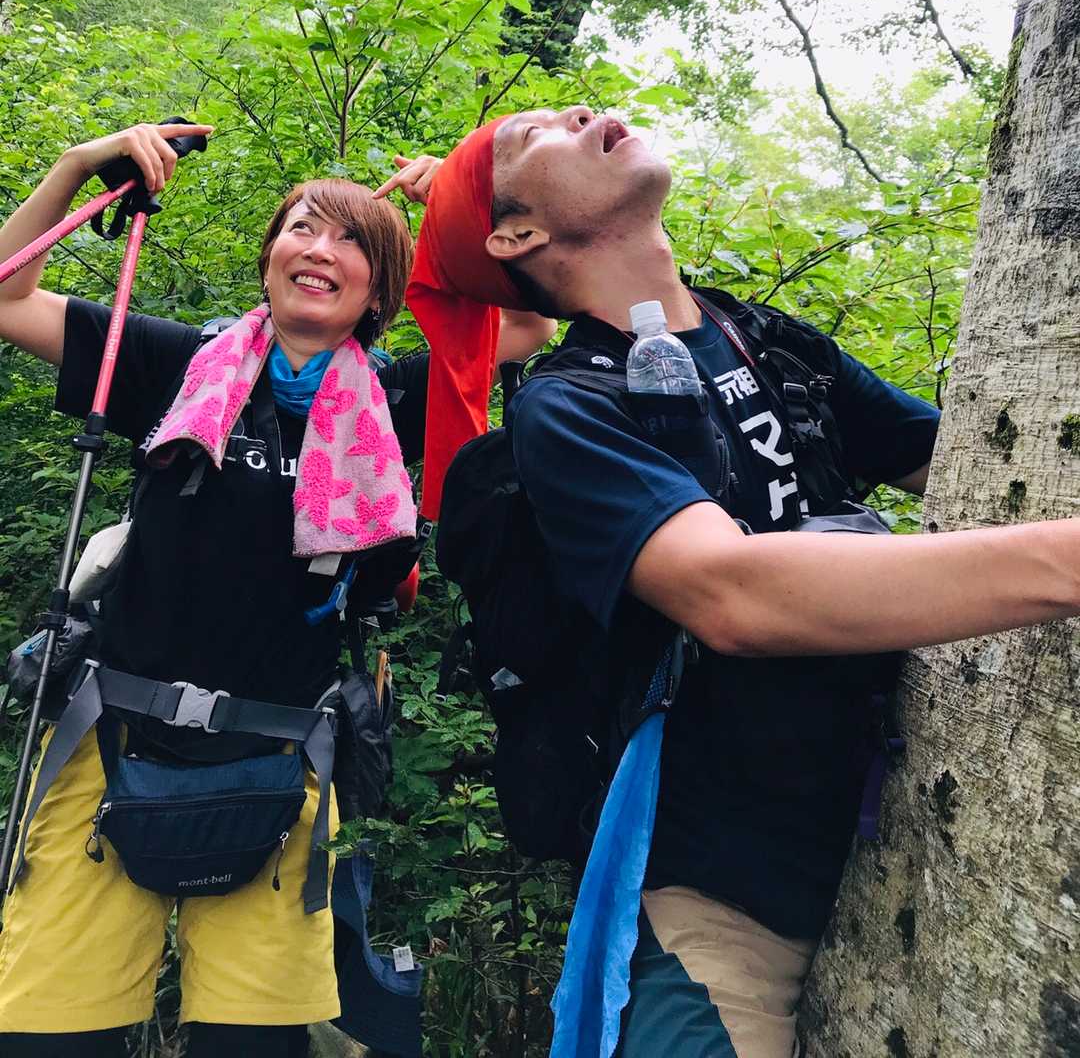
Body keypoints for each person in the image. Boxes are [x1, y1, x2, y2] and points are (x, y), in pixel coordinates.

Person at [399, 105, 1080, 1058]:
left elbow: (965, 460)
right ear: (516, 235)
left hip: (913, 832)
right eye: (532, 135)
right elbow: (732, 593)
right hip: (722, 897)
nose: (581, 111)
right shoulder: (569, 406)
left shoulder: (765, 337)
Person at [0, 124, 551, 1057]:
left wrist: (457, 209)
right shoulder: (176, 365)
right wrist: (77, 165)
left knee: (252, 1046)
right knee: (48, 1041)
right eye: (302, 227)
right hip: (112, 745)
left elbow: (531, 324)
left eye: (351, 240)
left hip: (284, 763)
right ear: (269, 258)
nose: (320, 248)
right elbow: (8, 294)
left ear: (380, 288)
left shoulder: (394, 398)